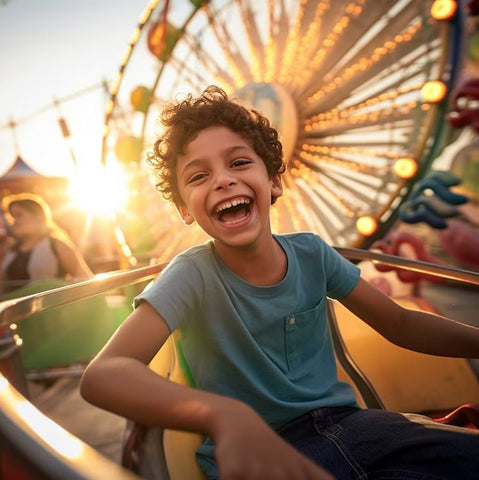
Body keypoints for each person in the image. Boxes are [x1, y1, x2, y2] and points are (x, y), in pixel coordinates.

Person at [80, 86, 479, 480]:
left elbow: (400, 324)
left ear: (273, 181)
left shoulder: (312, 253)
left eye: (238, 163)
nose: (222, 180)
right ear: (184, 209)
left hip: (355, 428)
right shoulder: (191, 274)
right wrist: (222, 416)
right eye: (199, 175)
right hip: (256, 453)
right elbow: (105, 373)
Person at [0, 193, 93, 292]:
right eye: (11, 216)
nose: (13, 221)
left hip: (52, 305)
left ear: (37, 216)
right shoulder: (10, 249)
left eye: (19, 215)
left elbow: (86, 280)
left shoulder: (58, 245)